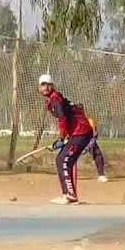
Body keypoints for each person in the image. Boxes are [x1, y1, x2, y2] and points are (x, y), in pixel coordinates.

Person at [39, 74, 93, 205]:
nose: (45, 87)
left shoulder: (55, 98)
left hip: (81, 132)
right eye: (43, 84)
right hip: (77, 133)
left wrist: (61, 139)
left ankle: (70, 195)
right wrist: (66, 138)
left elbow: (63, 119)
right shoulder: (51, 100)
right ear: (39, 88)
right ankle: (68, 194)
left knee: (63, 160)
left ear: (52, 86)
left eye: (48, 84)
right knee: (62, 160)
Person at [76, 103, 108, 183]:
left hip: (89, 140)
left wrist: (88, 146)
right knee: (68, 155)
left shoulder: (89, 120)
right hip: (76, 140)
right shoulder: (72, 120)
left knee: (97, 154)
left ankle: (101, 175)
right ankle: (68, 175)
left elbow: (94, 134)